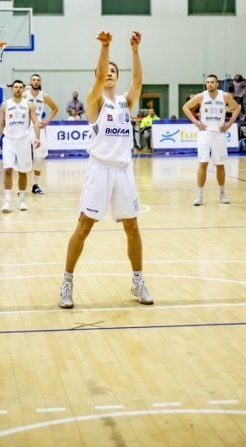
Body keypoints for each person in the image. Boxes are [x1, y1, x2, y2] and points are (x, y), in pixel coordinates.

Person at [59, 30, 153, 309]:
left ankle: (138, 281)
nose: (109, 73)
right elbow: (99, 78)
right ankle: (67, 282)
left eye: (114, 70)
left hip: (123, 171)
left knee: (133, 226)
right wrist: (106, 47)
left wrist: (135, 51)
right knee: (84, 226)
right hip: (99, 169)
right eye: (105, 70)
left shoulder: (125, 101)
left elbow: (138, 80)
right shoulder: (94, 100)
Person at [182, 74, 241, 206]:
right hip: (205, 133)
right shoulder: (201, 96)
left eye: (212, 82)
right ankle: (199, 196)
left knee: (220, 165)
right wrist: (196, 122)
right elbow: (185, 107)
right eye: (207, 82)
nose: (209, 84)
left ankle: (222, 194)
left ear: (217, 84)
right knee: (203, 163)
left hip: (219, 134)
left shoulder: (225, 96)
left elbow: (237, 108)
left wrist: (229, 124)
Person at [0, 80, 41, 213]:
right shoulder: (5, 105)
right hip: (9, 141)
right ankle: (8, 201)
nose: (18, 89)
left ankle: (21, 200)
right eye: (16, 87)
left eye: (20, 87)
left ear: (23, 89)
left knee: (22, 171)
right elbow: (0, 124)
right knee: (8, 170)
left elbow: (35, 122)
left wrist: (37, 137)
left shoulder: (29, 104)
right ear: (12, 89)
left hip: (24, 141)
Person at [24, 73, 59, 194]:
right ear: (30, 82)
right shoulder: (24, 95)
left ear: (40, 82)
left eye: (38, 80)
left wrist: (46, 121)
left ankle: (35, 185)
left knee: (39, 158)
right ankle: (21, 187)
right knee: (22, 157)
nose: (36, 82)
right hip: (25, 127)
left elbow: (55, 108)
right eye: (33, 80)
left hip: (38, 127)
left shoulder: (44, 96)